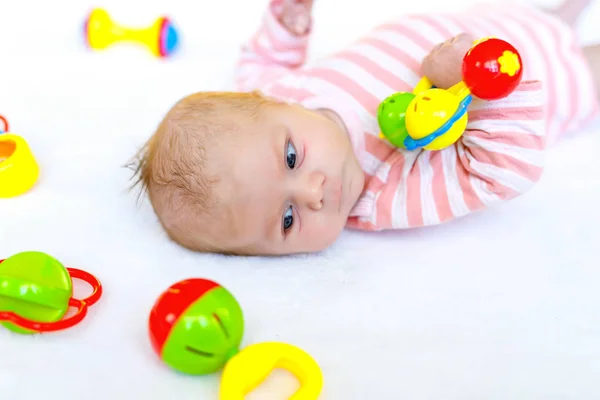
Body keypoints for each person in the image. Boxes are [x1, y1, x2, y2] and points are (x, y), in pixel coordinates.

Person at [128, 0, 600, 255]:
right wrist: (483, 78)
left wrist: (287, 23)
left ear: (268, 103)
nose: (313, 192)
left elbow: (263, 59)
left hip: (489, 21)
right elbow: (501, 173)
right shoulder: (382, 194)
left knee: (554, 15)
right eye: (288, 220)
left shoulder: (277, 93)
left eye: (291, 158)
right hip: (552, 80)